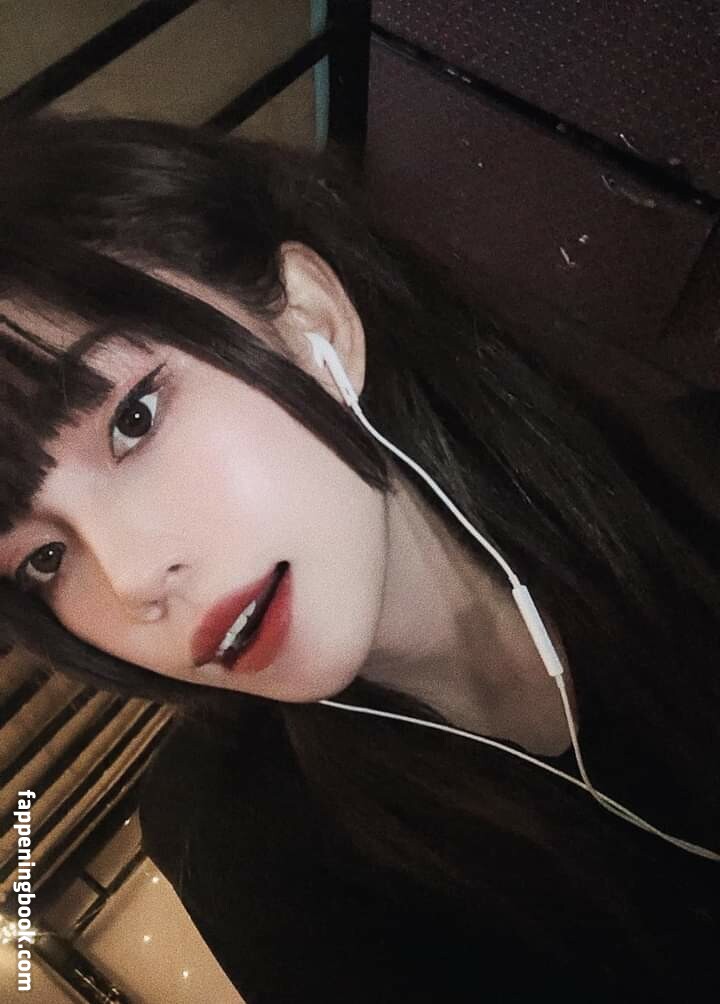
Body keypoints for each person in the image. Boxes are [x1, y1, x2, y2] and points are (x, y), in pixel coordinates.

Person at [0, 112, 717, 1002]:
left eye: (132, 420)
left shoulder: (687, 477)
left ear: (312, 323)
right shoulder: (251, 854)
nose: (132, 580)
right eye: (43, 559)